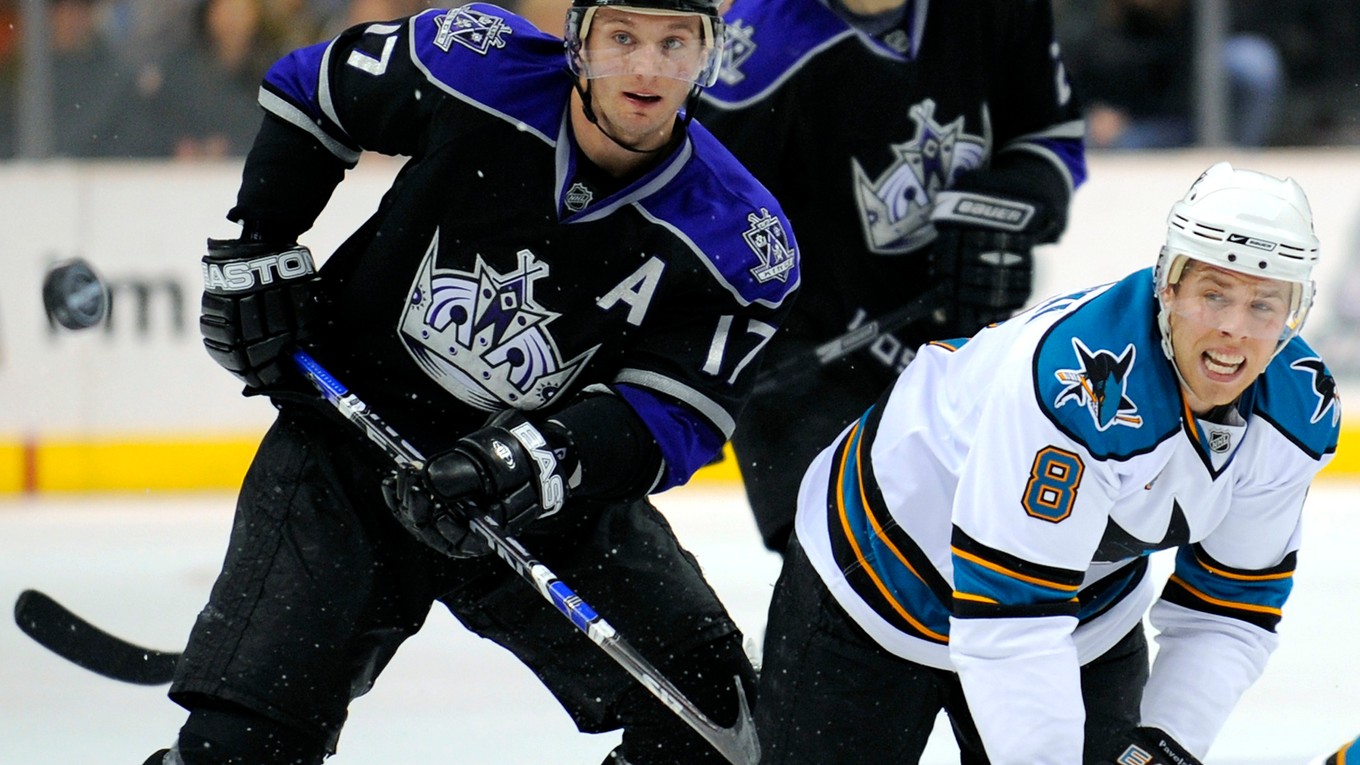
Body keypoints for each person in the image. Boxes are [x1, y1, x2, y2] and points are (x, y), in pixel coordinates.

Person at [141, 0, 799, 762]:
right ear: (578, 42)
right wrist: (261, 239)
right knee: (238, 751)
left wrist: (530, 460)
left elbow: (678, 415)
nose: (647, 68)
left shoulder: (737, 237)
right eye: (622, 38)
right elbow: (312, 88)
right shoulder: (474, 66)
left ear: (707, 54)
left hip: (538, 496)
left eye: (673, 42)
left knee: (714, 727)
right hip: (349, 455)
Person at [753, 162, 1339, 764]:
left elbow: (1233, 604)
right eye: (1213, 294)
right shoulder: (1073, 389)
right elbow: (1011, 621)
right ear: (1167, 285)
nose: (1233, 331)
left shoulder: (1298, 410)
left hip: (1076, 610)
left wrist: (1162, 745)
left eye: (1265, 306)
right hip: (874, 579)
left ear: (1296, 312)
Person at [695, 0, 1088, 555]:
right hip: (807, 367)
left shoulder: (999, 11)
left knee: (999, 566)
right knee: (846, 578)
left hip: (962, 358)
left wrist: (1009, 204)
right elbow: (700, 224)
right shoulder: (757, 51)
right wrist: (692, 368)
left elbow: (1050, 137)